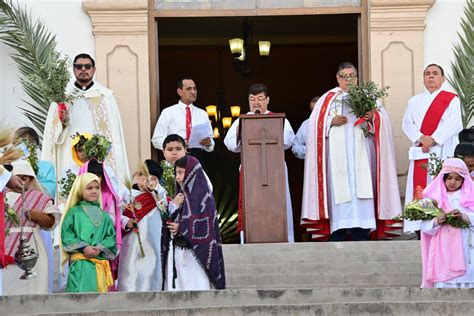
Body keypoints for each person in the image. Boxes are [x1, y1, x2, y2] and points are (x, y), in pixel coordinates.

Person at [301, 62, 401, 241]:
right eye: (344, 77)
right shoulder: (327, 99)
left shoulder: (368, 97)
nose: (348, 80)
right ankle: (337, 231)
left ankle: (362, 231)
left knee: (362, 188)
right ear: (338, 78)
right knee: (338, 191)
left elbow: (383, 123)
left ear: (357, 77)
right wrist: (330, 121)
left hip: (362, 153)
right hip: (337, 156)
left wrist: (373, 117)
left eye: (352, 76)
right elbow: (314, 125)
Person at [41, 53, 130, 189]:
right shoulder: (62, 96)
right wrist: (62, 121)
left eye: (87, 66)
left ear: (94, 70)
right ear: (74, 69)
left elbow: (113, 134)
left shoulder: (105, 96)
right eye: (79, 66)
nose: (83, 69)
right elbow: (52, 134)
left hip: (97, 157)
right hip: (69, 155)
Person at [224, 83, 296, 242]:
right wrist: (238, 132)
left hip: (274, 169)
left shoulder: (277, 119)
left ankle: (282, 236)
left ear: (267, 100)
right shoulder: (242, 120)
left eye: (260, 99)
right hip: (252, 170)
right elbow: (229, 144)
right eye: (252, 99)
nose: (256, 102)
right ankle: (251, 237)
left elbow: (289, 141)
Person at [402, 64, 463, 233]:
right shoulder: (414, 101)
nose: (430, 77)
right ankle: (420, 226)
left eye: (435, 74)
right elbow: (407, 123)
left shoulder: (451, 99)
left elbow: (455, 122)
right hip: (421, 151)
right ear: (423, 78)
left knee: (440, 185)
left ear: (442, 79)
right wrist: (421, 138)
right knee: (421, 188)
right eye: (427, 74)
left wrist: (434, 139)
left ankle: (442, 222)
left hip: (442, 150)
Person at [162, 155, 225, 290]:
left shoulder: (203, 196)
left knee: (197, 286)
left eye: (181, 172)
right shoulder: (181, 195)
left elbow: (203, 224)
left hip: (194, 255)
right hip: (178, 252)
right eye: (176, 173)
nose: (177, 177)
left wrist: (181, 227)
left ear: (191, 172)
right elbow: (172, 217)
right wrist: (174, 205)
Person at [2, 161, 61, 295]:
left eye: (25, 178)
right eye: (17, 177)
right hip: (4, 248)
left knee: (35, 289)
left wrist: (37, 215)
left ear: (31, 179)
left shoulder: (39, 197)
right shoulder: (2, 197)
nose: (20, 182)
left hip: (33, 250)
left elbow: (51, 222)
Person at [14, 127, 57, 293]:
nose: (22, 146)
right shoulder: (8, 167)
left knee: (40, 270)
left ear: (35, 145)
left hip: (37, 225)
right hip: (13, 222)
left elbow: (49, 192)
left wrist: (30, 175)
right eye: (18, 142)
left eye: (27, 142)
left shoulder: (45, 167)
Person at [420, 158, 474, 288]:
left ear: (464, 180)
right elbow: (424, 227)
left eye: (457, 179)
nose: (452, 182)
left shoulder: (470, 196)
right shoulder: (432, 198)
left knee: (467, 275)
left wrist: (465, 217)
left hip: (465, 243)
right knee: (443, 276)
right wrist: (436, 221)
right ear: (443, 178)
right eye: (449, 178)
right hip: (442, 247)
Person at [60, 173, 117, 292]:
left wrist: (100, 247)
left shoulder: (105, 216)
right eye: (89, 188)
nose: (94, 191)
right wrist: (84, 246)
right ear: (80, 190)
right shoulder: (74, 213)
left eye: (97, 188)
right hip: (81, 266)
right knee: (79, 300)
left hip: (99, 266)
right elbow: (67, 234)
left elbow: (110, 236)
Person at [117, 159, 167, 292]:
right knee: (130, 271)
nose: (148, 181)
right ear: (138, 176)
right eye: (145, 177)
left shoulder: (158, 196)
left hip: (152, 245)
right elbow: (117, 214)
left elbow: (166, 209)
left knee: (151, 272)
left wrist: (156, 190)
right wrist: (125, 221)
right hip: (131, 242)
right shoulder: (127, 194)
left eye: (154, 179)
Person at [151, 77, 215, 162]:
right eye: (189, 89)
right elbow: (156, 139)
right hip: (175, 158)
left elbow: (211, 144)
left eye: (195, 89)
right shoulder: (168, 112)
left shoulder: (202, 114)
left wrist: (209, 142)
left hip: (197, 158)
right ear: (179, 92)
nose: (193, 92)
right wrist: (174, 146)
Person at [14, 127, 56, 198]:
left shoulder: (47, 166)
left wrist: (31, 173)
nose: (27, 144)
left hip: (38, 205)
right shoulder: (10, 165)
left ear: (36, 145)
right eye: (23, 141)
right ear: (14, 144)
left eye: (32, 141)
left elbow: (50, 192)